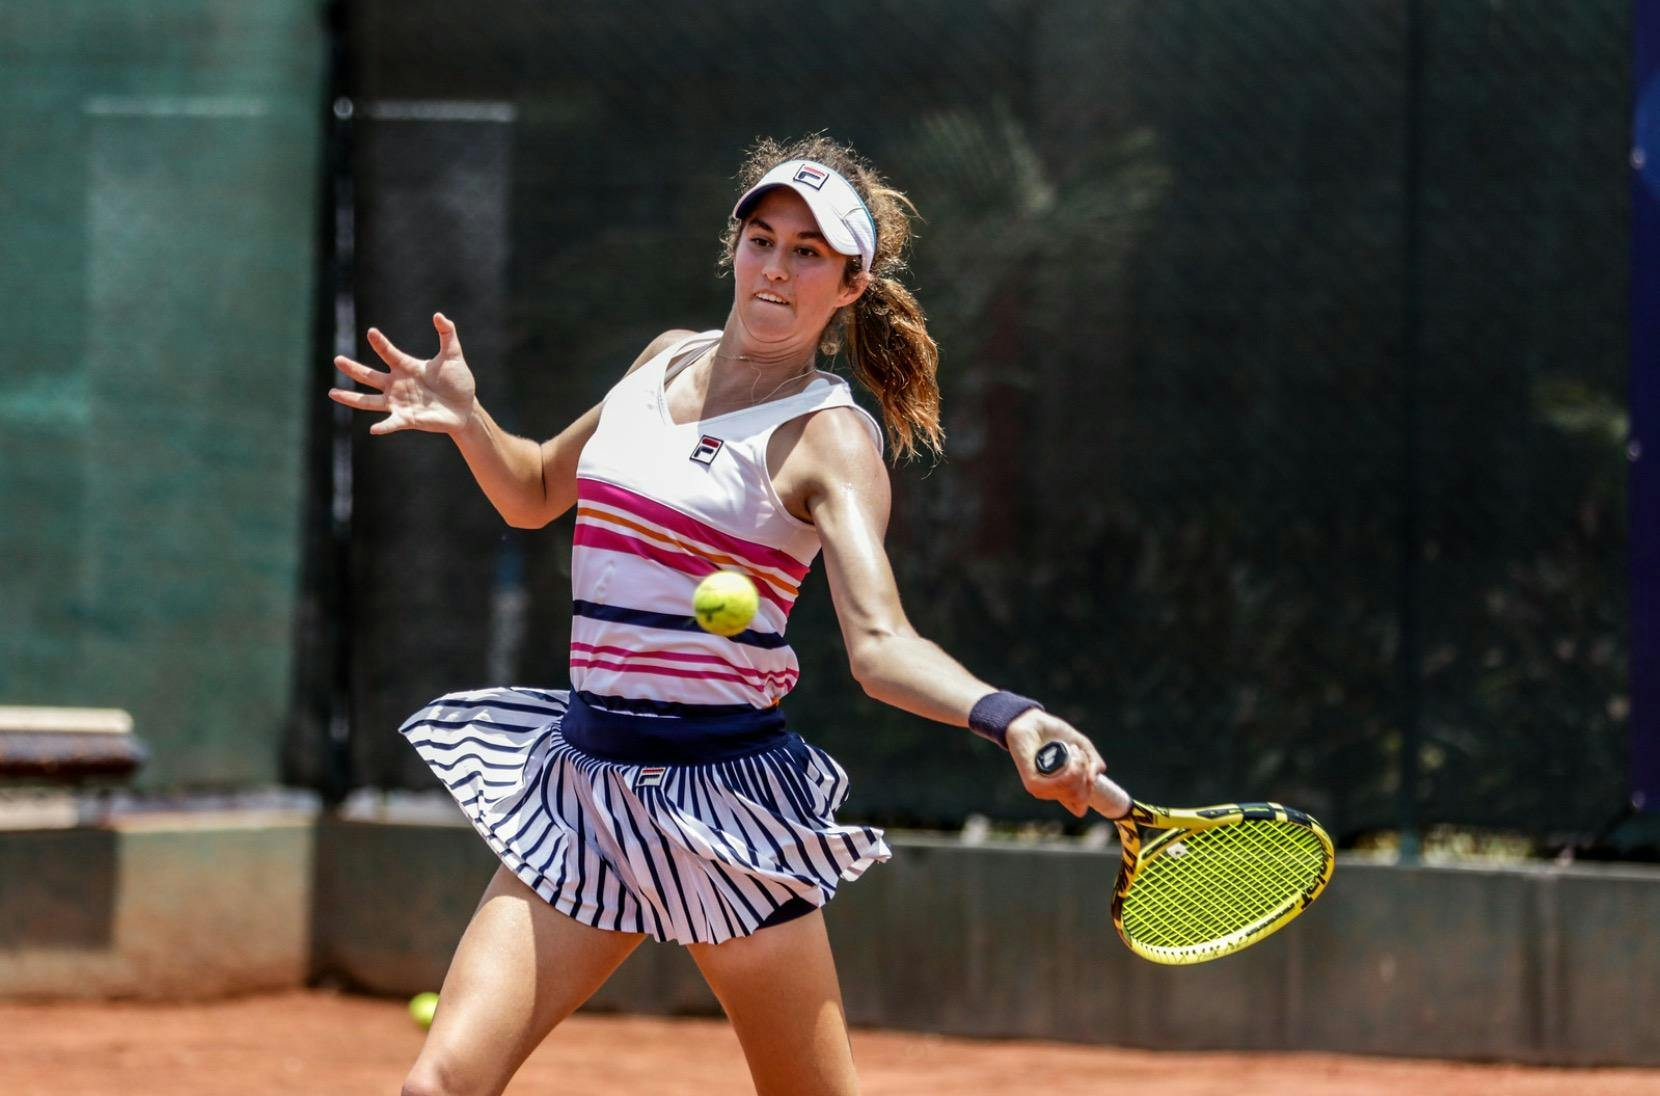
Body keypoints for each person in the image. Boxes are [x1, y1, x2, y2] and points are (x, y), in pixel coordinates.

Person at [329, 134, 1109, 1096]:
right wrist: (468, 419)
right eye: (762, 239)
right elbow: (532, 492)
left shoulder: (830, 439)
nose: (775, 268)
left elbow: (880, 646)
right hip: (586, 789)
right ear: (735, 246)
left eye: (808, 253)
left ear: (851, 286)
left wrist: (1010, 716)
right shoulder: (663, 359)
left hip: (725, 808)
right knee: (437, 1087)